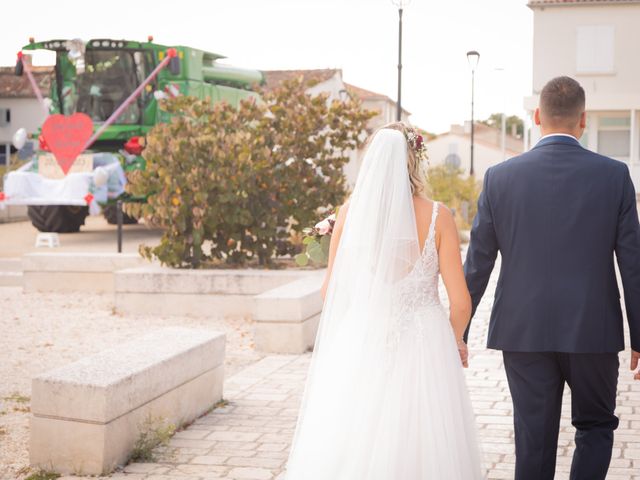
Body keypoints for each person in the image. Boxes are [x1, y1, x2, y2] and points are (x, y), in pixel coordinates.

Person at [284, 122, 483, 479]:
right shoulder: (439, 216)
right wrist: (453, 340)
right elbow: (461, 303)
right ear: (414, 160)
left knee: (352, 438)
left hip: (364, 339)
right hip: (425, 346)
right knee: (425, 443)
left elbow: (330, 292)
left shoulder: (348, 214)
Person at [464, 75, 640, 480]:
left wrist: (461, 327)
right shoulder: (614, 176)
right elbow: (632, 262)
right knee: (596, 428)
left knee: (533, 438)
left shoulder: (499, 178)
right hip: (593, 331)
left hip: (523, 330)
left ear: (537, 116)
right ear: (583, 120)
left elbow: (478, 261)